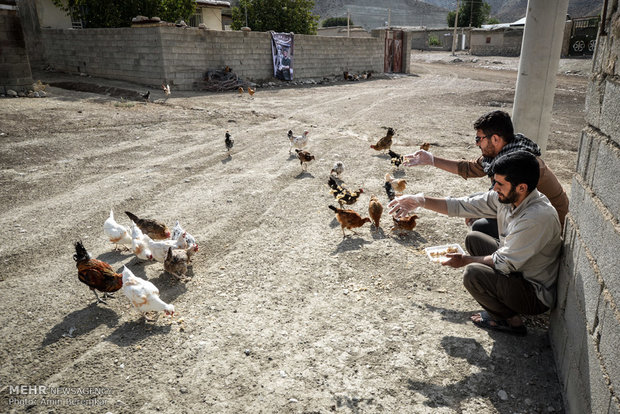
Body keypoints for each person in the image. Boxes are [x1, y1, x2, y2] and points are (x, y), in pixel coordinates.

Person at [388, 151, 562, 336]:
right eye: (495, 182)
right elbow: (463, 205)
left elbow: (503, 262)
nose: (495, 188)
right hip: (518, 269)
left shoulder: (536, 217)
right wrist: (420, 201)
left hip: (533, 293)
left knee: (473, 273)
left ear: (522, 187)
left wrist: (465, 260)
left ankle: (511, 321)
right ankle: (501, 298)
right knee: (474, 239)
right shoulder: (509, 196)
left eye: (500, 184)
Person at [404, 110, 568, 238]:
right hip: (524, 212)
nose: (476, 144)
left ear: (495, 139)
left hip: (546, 228)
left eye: (479, 139)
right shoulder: (503, 153)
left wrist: (477, 212)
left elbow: (510, 205)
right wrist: (431, 160)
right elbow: (469, 168)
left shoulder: (519, 165)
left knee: (480, 228)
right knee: (475, 204)